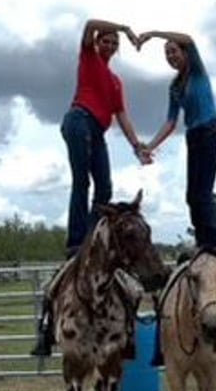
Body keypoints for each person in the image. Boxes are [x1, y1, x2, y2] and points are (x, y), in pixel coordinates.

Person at [32, 19, 151, 358]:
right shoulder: (88, 58)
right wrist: (126, 27)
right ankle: (77, 241)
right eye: (107, 41)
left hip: (97, 129)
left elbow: (123, 115)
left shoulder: (115, 81)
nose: (111, 46)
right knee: (81, 181)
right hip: (79, 119)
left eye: (115, 43)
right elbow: (88, 24)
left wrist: (136, 146)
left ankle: (95, 236)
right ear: (98, 43)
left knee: (106, 188)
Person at [137, 30, 216, 372]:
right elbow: (172, 121)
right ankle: (205, 242)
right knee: (191, 196)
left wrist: (155, 34)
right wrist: (150, 146)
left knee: (202, 193)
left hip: (211, 132)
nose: (171, 55)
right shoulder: (175, 87)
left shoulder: (198, 70)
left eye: (174, 51)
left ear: (185, 52)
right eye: (166, 53)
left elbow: (187, 37)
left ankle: (211, 244)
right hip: (193, 138)